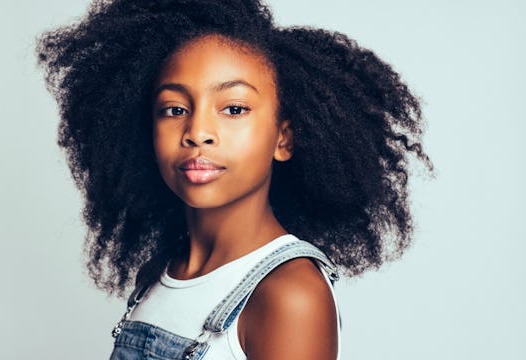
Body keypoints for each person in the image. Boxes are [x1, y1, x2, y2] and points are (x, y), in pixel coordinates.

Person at [36, 0, 432, 359]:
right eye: (174, 109)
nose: (197, 131)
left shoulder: (288, 294)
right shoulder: (160, 273)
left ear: (283, 138)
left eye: (234, 108)